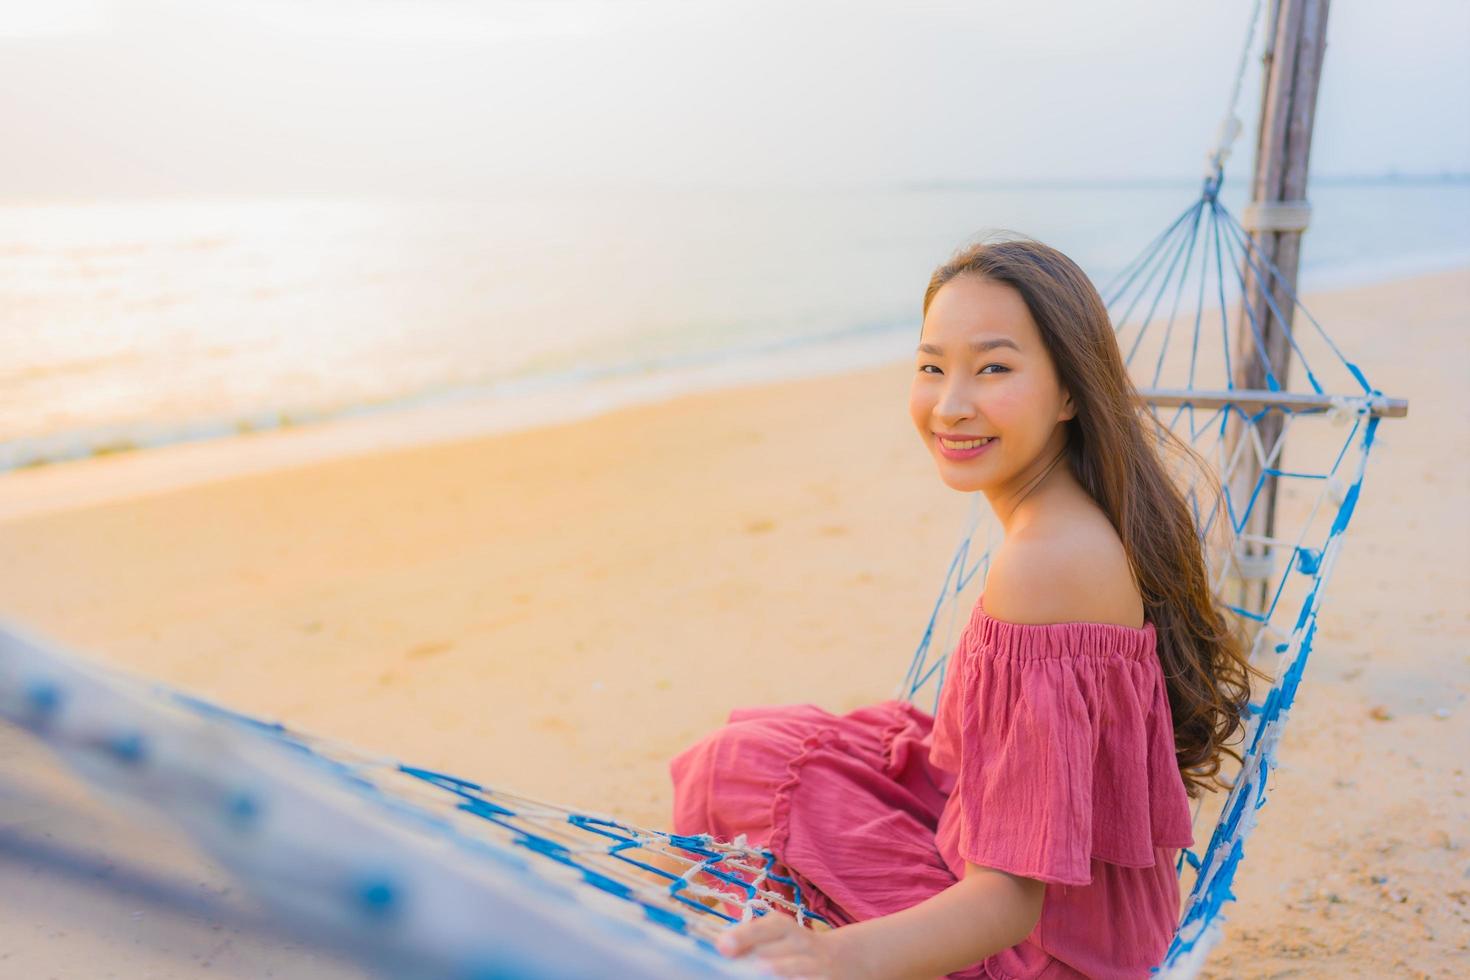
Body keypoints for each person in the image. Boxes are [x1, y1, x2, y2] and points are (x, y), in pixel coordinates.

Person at [666, 235, 1260, 979]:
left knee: (732, 774)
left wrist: (831, 957)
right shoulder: (1074, 514)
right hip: (1060, 883)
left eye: (993, 368)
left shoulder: (1047, 561)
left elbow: (1010, 900)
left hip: (1047, 948)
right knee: (760, 754)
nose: (950, 405)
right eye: (931, 367)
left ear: (1072, 390)